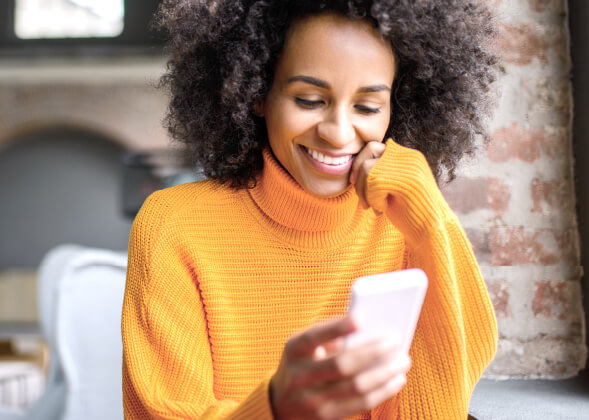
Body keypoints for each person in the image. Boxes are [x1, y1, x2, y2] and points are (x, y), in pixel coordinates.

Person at [121, 1, 499, 419]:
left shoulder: (404, 220)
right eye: (309, 100)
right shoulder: (174, 226)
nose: (338, 133)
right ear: (256, 94)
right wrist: (277, 408)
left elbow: (446, 400)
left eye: (368, 107)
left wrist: (430, 218)